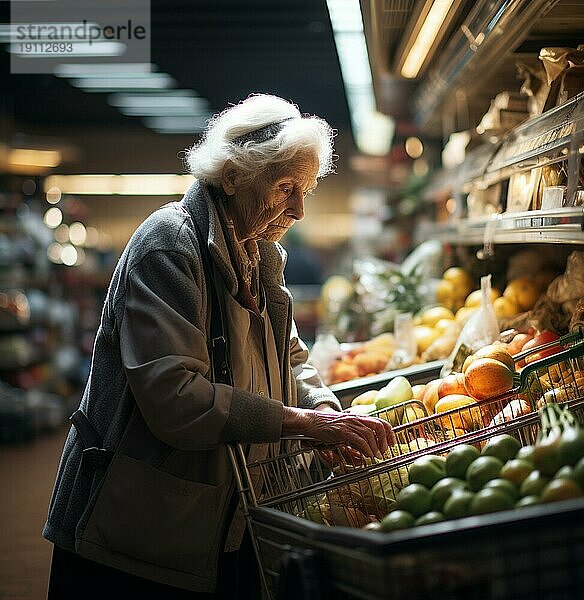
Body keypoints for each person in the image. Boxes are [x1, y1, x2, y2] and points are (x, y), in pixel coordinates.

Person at [42, 93, 394, 599]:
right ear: (231, 176)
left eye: (307, 190)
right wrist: (303, 423)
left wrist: (322, 408)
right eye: (286, 187)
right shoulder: (169, 246)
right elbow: (175, 398)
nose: (298, 209)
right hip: (134, 528)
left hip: (212, 518)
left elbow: (290, 357)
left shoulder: (260, 252)